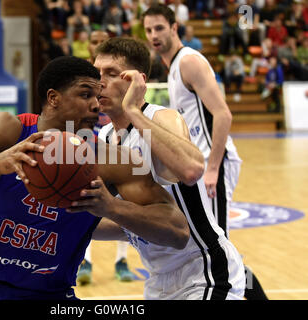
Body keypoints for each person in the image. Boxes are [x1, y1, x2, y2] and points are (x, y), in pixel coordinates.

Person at [0, 56, 189, 300]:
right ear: (53, 98)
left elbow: (178, 232)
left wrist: (112, 207)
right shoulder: (8, 131)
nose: (96, 105)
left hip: (53, 295)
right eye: (85, 95)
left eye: (97, 97)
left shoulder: (111, 159)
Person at [91, 36, 245, 300]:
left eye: (111, 73)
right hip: (158, 281)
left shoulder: (162, 118)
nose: (99, 82)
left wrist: (133, 110)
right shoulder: (104, 138)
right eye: (96, 73)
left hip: (205, 270)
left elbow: (191, 169)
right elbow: (128, 226)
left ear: (136, 81)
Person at [142, 4, 269, 300]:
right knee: (215, 248)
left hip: (215, 163)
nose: (153, 35)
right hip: (200, 167)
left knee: (217, 248)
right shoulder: (173, 66)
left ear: (175, 27)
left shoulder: (189, 61)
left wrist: (213, 169)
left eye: (159, 28)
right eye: (148, 30)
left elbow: (223, 114)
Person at [77, 29, 136, 285]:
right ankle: (84, 260)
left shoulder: (117, 83)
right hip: (87, 149)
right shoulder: (79, 80)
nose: (97, 44)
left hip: (117, 148)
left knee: (126, 202)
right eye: (94, 41)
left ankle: (121, 260)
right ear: (88, 47)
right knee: (86, 205)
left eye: (102, 42)